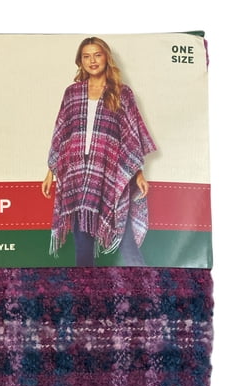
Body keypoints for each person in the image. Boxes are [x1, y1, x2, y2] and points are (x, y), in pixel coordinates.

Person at [42, 37, 156, 266]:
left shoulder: (122, 93)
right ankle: (86, 286)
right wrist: (50, 172)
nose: (92, 61)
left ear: (106, 58)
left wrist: (138, 173)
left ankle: (146, 283)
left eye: (97, 55)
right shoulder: (72, 93)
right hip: (76, 173)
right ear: (80, 61)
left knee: (125, 240)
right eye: (86, 56)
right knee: (82, 243)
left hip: (109, 171)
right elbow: (62, 133)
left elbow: (131, 137)